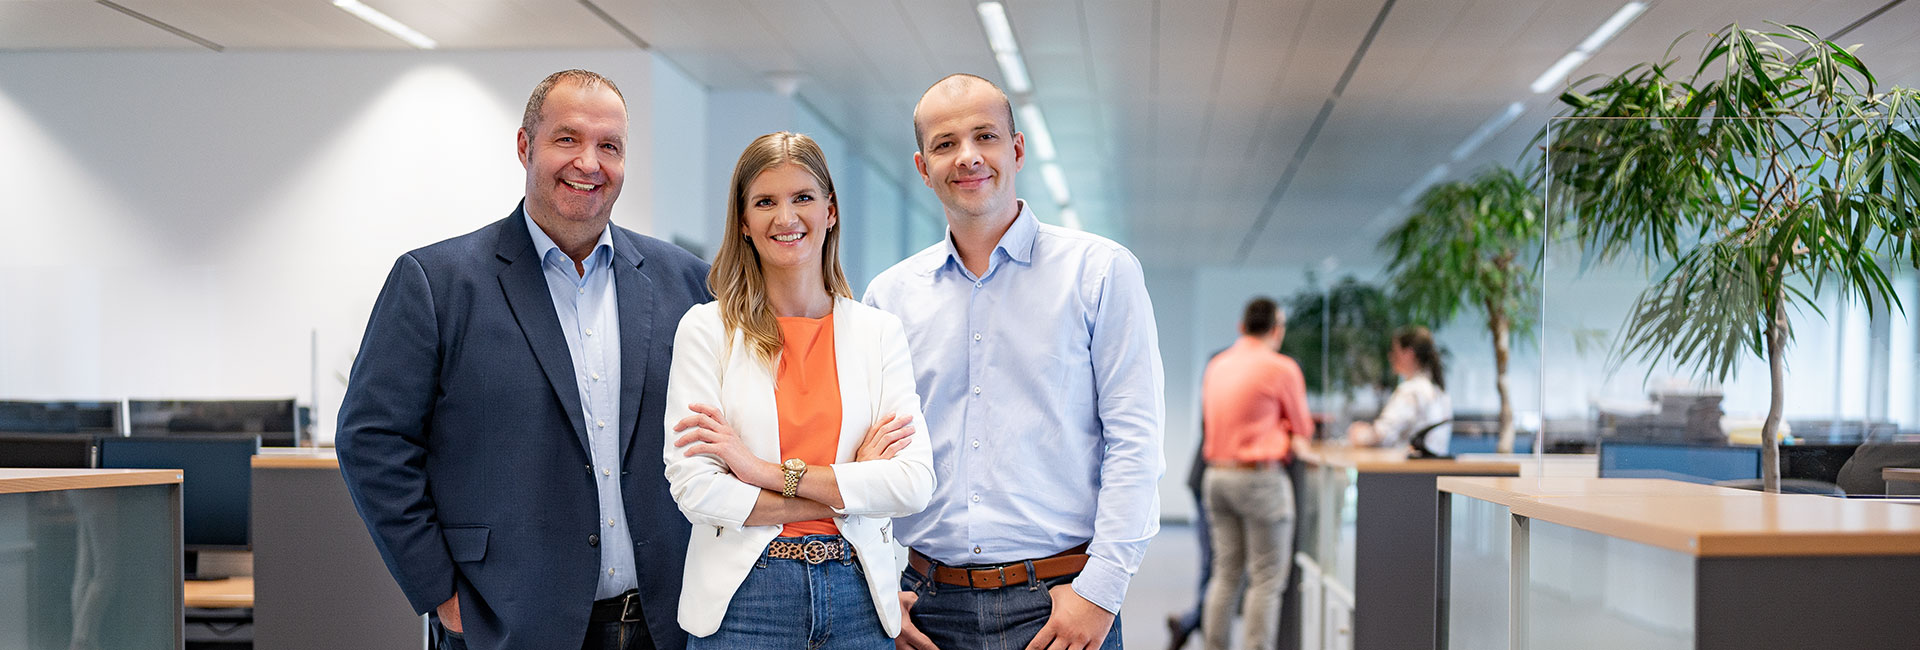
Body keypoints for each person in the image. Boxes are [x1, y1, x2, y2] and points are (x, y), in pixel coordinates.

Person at [336, 69, 711, 650]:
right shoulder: (437, 283)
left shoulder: (683, 281)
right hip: (505, 625)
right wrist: (441, 594)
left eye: (608, 146)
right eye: (567, 139)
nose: (589, 162)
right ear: (524, 146)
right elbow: (372, 441)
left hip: (665, 626)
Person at [865, 73, 1165, 650]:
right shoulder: (889, 297)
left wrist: (1100, 593)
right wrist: (877, 584)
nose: (968, 157)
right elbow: (869, 457)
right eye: (945, 144)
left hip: (1060, 604)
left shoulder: (1099, 273)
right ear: (922, 166)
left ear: (1017, 149)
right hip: (924, 609)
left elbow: (1136, 442)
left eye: (985, 136)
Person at [662, 131, 937, 649]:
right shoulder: (707, 331)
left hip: (857, 597)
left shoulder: (879, 334)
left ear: (830, 211)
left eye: (803, 198)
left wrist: (763, 472)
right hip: (746, 600)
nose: (785, 218)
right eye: (765, 202)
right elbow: (695, 489)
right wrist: (850, 489)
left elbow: (912, 484)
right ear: (743, 222)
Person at [1198, 298, 1312, 650]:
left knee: (1226, 574)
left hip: (1216, 477)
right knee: (1265, 581)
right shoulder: (1281, 368)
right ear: (1277, 330)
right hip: (1259, 480)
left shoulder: (1216, 364)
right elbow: (1302, 428)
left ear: (1241, 327)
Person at [1347, 326, 1452, 456]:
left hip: (1405, 472)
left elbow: (1382, 434)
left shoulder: (1411, 390)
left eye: (1395, 351)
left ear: (1408, 354)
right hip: (1432, 472)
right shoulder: (1439, 392)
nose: (1390, 356)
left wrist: (1359, 433)